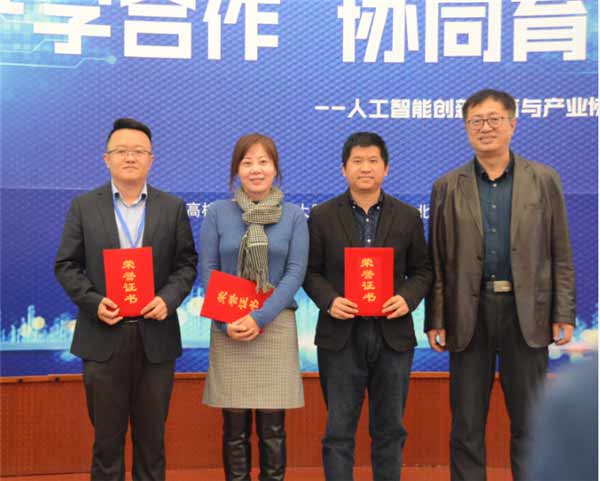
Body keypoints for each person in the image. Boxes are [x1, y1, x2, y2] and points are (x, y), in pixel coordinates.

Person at [425, 89, 576, 481]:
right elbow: (437, 260)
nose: (486, 128)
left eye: (494, 119)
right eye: (476, 121)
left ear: (512, 124)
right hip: (467, 314)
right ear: (466, 128)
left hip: (526, 315)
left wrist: (563, 312)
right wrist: (435, 318)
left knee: (529, 421)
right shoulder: (447, 186)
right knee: (466, 424)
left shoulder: (543, 179)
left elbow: (560, 251)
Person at [54, 118, 198, 481]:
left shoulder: (172, 207)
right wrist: (93, 302)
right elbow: (66, 265)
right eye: (121, 151)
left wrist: (168, 299)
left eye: (138, 151)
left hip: (156, 339)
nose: (130, 157)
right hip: (102, 338)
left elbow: (186, 265)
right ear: (107, 159)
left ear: (151, 159)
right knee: (107, 444)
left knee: (152, 444)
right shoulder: (84, 206)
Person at [303, 132, 432, 481]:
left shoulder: (407, 216)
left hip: (393, 336)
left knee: (390, 429)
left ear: (386, 169)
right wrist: (330, 301)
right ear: (343, 169)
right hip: (340, 337)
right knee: (338, 431)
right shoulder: (322, 216)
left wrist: (407, 298)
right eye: (357, 161)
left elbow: (423, 270)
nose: (365, 168)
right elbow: (310, 272)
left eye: (373, 161)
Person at [199, 133, 308, 481]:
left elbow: (295, 272)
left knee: (273, 429)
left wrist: (259, 317)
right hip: (229, 324)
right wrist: (225, 322)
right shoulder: (218, 213)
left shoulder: (293, 216)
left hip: (274, 325)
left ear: (275, 169)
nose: (256, 169)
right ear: (237, 170)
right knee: (234, 429)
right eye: (247, 162)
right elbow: (208, 269)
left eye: (263, 161)